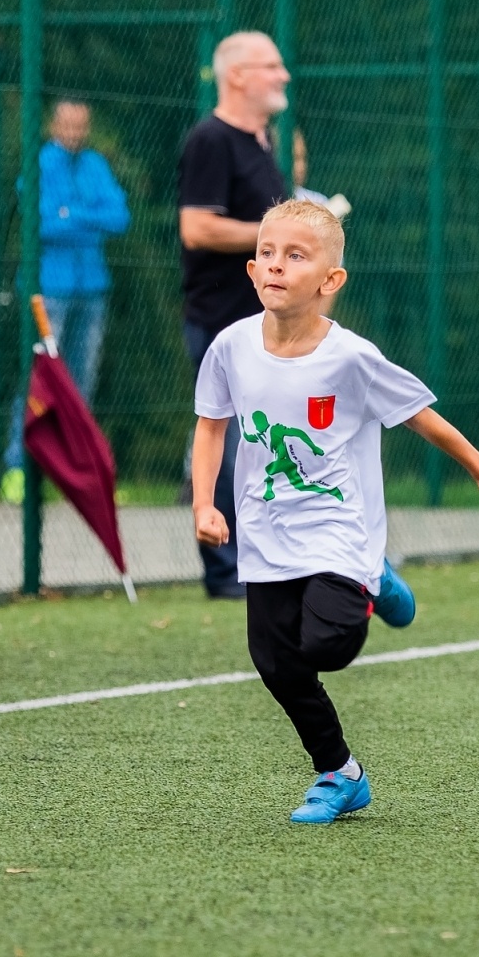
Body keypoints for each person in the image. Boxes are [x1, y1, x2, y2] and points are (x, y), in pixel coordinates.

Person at [191, 199, 479, 823]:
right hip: (265, 534)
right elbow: (211, 428)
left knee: (331, 645)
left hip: (339, 530)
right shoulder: (231, 347)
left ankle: (373, 576)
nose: (276, 265)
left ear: (330, 281)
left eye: (295, 255)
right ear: (252, 271)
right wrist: (206, 503)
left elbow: (421, 418)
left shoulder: (351, 358)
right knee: (274, 662)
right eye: (266, 253)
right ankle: (340, 773)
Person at [179, 31, 291, 598]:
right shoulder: (211, 140)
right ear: (238, 75)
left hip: (267, 325)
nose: (283, 76)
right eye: (271, 66)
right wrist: (278, 236)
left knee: (260, 444)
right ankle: (223, 570)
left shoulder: (263, 141)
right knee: (221, 442)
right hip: (219, 322)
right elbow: (196, 227)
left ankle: (264, 560)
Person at [1, 99, 129, 503]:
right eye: (67, 124)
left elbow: (120, 217)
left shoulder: (95, 165)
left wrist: (70, 214)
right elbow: (39, 221)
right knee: (40, 378)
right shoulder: (40, 164)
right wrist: (85, 216)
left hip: (91, 287)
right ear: (53, 125)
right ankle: (18, 468)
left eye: (80, 125)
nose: (74, 132)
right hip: (48, 289)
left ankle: (74, 473)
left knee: (81, 383)